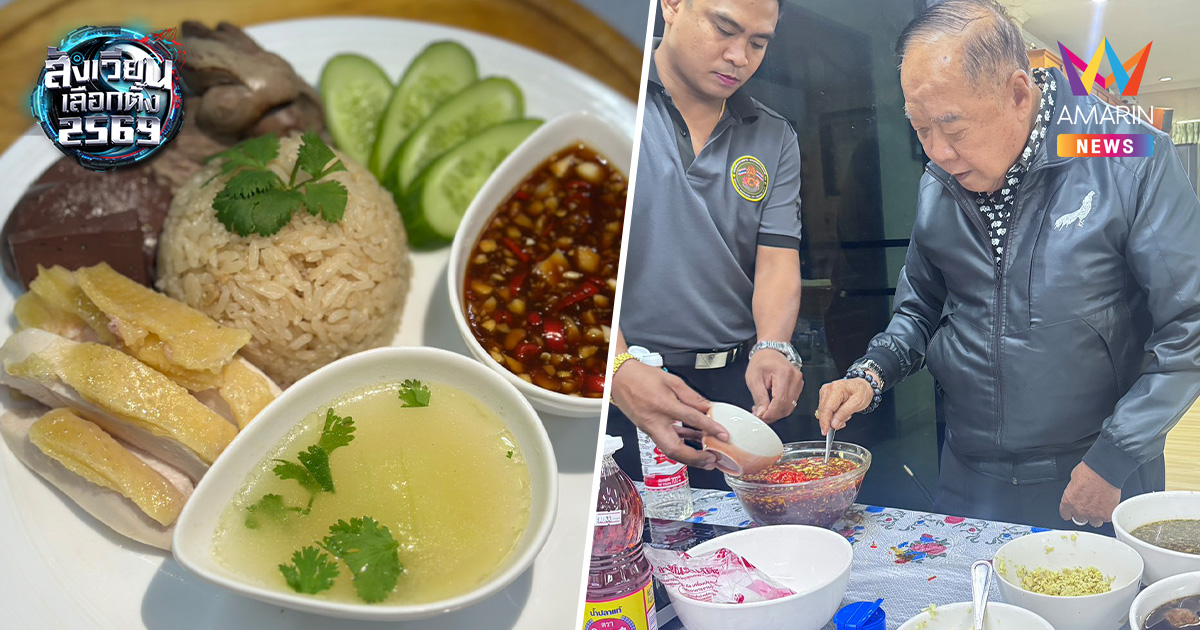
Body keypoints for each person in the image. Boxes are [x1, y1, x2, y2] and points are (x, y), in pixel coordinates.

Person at [817, 0, 1200, 531]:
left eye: (951, 125)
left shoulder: (1129, 156)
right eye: (920, 128)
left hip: (1096, 472)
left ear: (1019, 93)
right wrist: (872, 372)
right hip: (971, 472)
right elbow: (920, 308)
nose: (937, 152)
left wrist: (1113, 458)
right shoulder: (940, 184)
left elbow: (1190, 326)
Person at [608, 0, 804, 488]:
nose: (740, 56)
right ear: (671, 5)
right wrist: (617, 367)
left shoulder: (774, 136)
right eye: (724, 28)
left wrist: (774, 346)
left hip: (731, 388)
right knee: (627, 546)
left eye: (758, 43)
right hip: (623, 378)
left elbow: (776, 260)